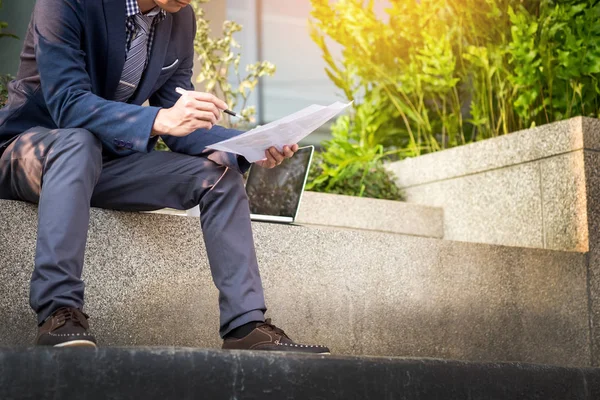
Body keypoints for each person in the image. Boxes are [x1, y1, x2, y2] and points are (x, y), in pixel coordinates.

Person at [0, 0, 330, 354]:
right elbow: (67, 102)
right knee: (79, 143)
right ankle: (58, 311)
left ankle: (245, 325)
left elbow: (180, 127)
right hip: (30, 151)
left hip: (104, 165)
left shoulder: (180, 19)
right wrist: (159, 119)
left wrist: (250, 146)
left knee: (217, 176)